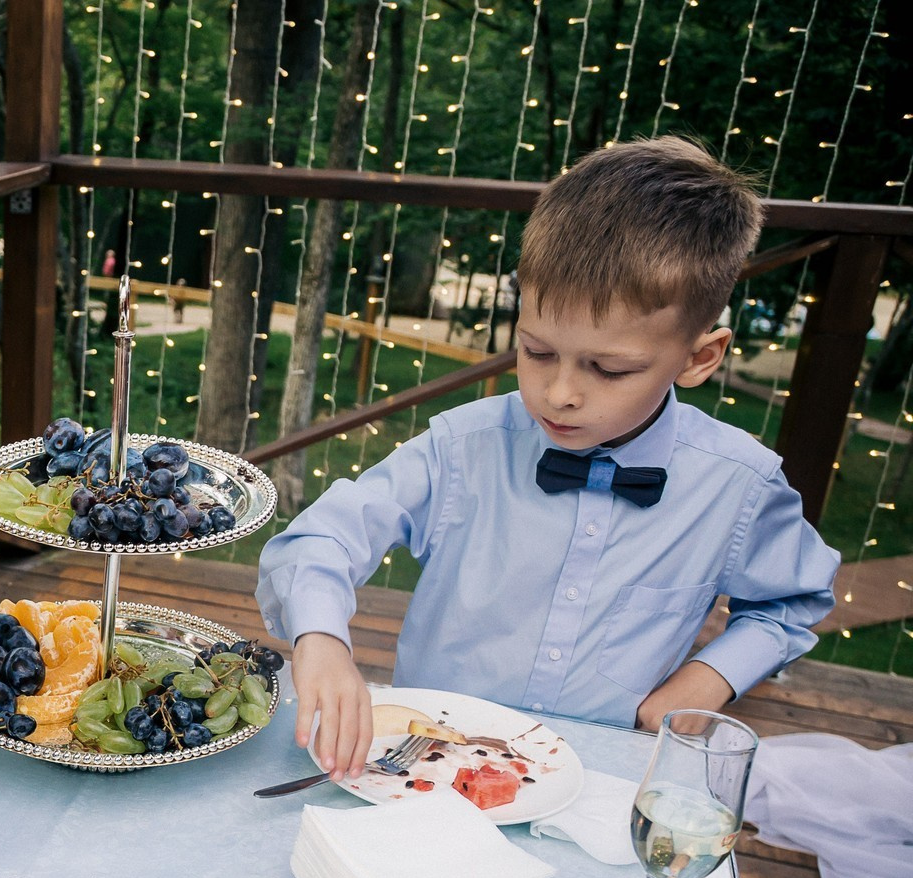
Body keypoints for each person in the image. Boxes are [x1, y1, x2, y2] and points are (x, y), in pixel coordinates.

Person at [259, 136, 839, 779]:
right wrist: (320, 640)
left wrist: (711, 676)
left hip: (601, 778)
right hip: (426, 765)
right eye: (536, 352)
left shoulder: (739, 485)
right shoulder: (462, 450)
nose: (559, 393)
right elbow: (319, 540)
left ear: (700, 357)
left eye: (610, 368)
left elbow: (793, 601)